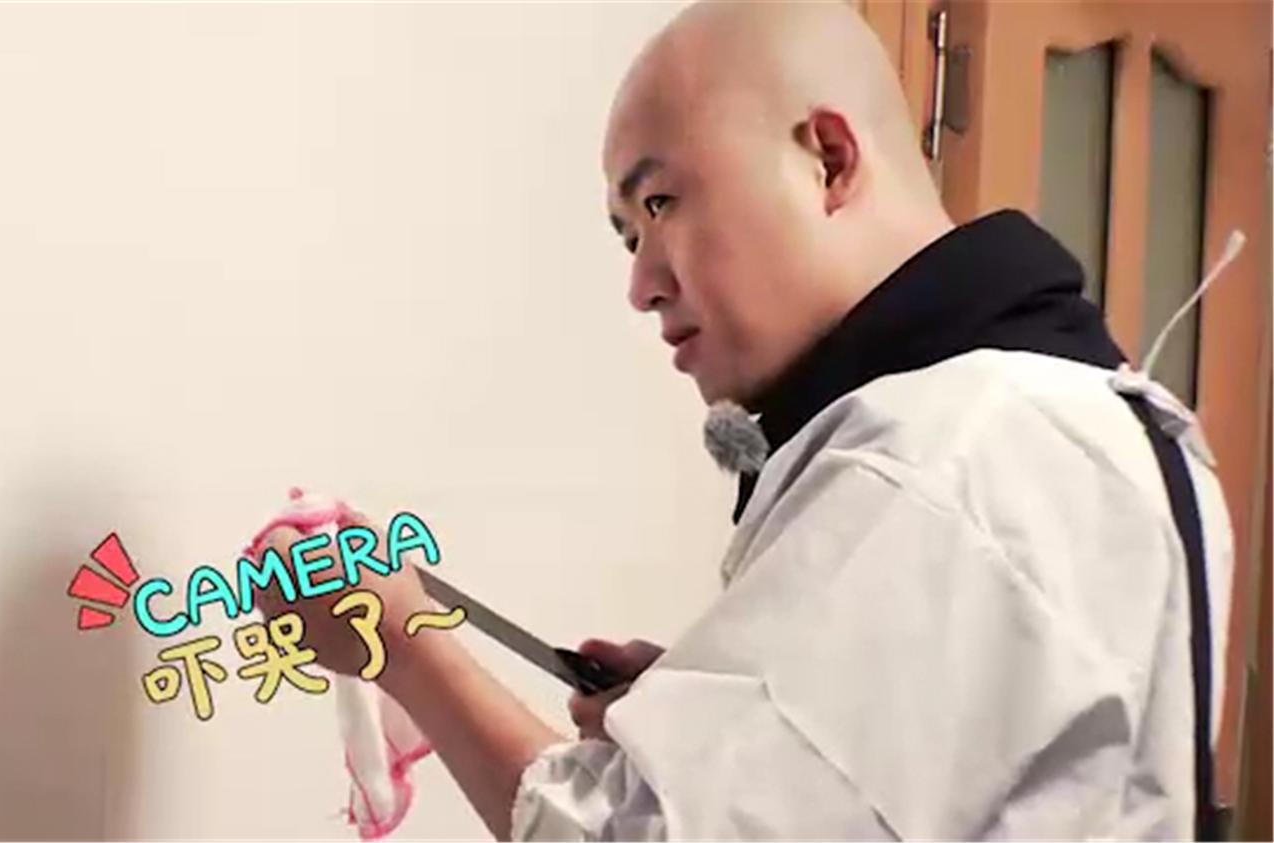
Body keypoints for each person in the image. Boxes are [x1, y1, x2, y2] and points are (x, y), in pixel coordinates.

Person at [255, 1, 1235, 839]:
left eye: (662, 201)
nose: (642, 283)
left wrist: (403, 646)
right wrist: (725, 719)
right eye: (628, 235)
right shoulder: (1091, 413)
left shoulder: (946, 461)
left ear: (829, 160)